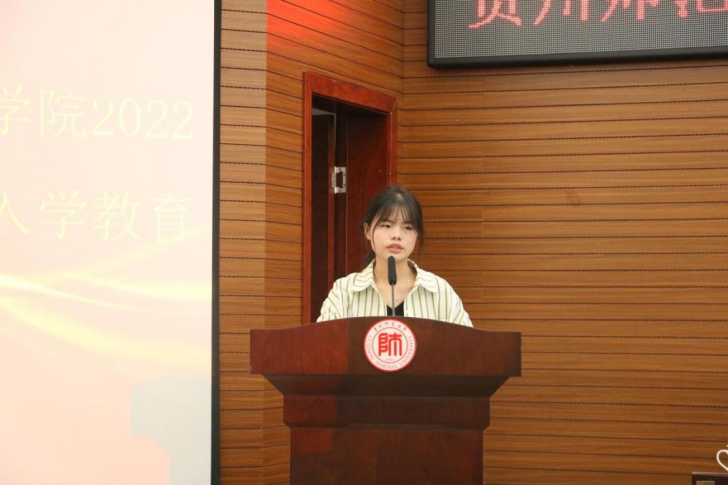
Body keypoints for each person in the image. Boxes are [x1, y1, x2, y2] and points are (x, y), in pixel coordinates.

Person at [316, 185, 473, 327]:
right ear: (368, 231)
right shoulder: (344, 291)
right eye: (387, 225)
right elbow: (323, 344)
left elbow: (466, 345)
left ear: (417, 235)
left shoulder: (439, 290)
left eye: (408, 227)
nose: (397, 235)